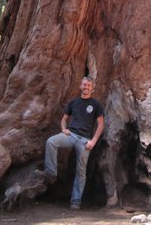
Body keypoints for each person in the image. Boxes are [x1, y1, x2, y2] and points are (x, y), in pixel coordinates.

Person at [40, 76, 104, 210]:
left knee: (81, 171)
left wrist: (93, 141)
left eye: (89, 86)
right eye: (84, 85)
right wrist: (64, 129)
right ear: (80, 86)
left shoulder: (96, 105)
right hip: (71, 135)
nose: (86, 87)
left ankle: (75, 201)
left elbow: (100, 125)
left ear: (92, 88)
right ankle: (51, 172)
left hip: (85, 140)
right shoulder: (73, 102)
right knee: (51, 142)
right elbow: (64, 119)